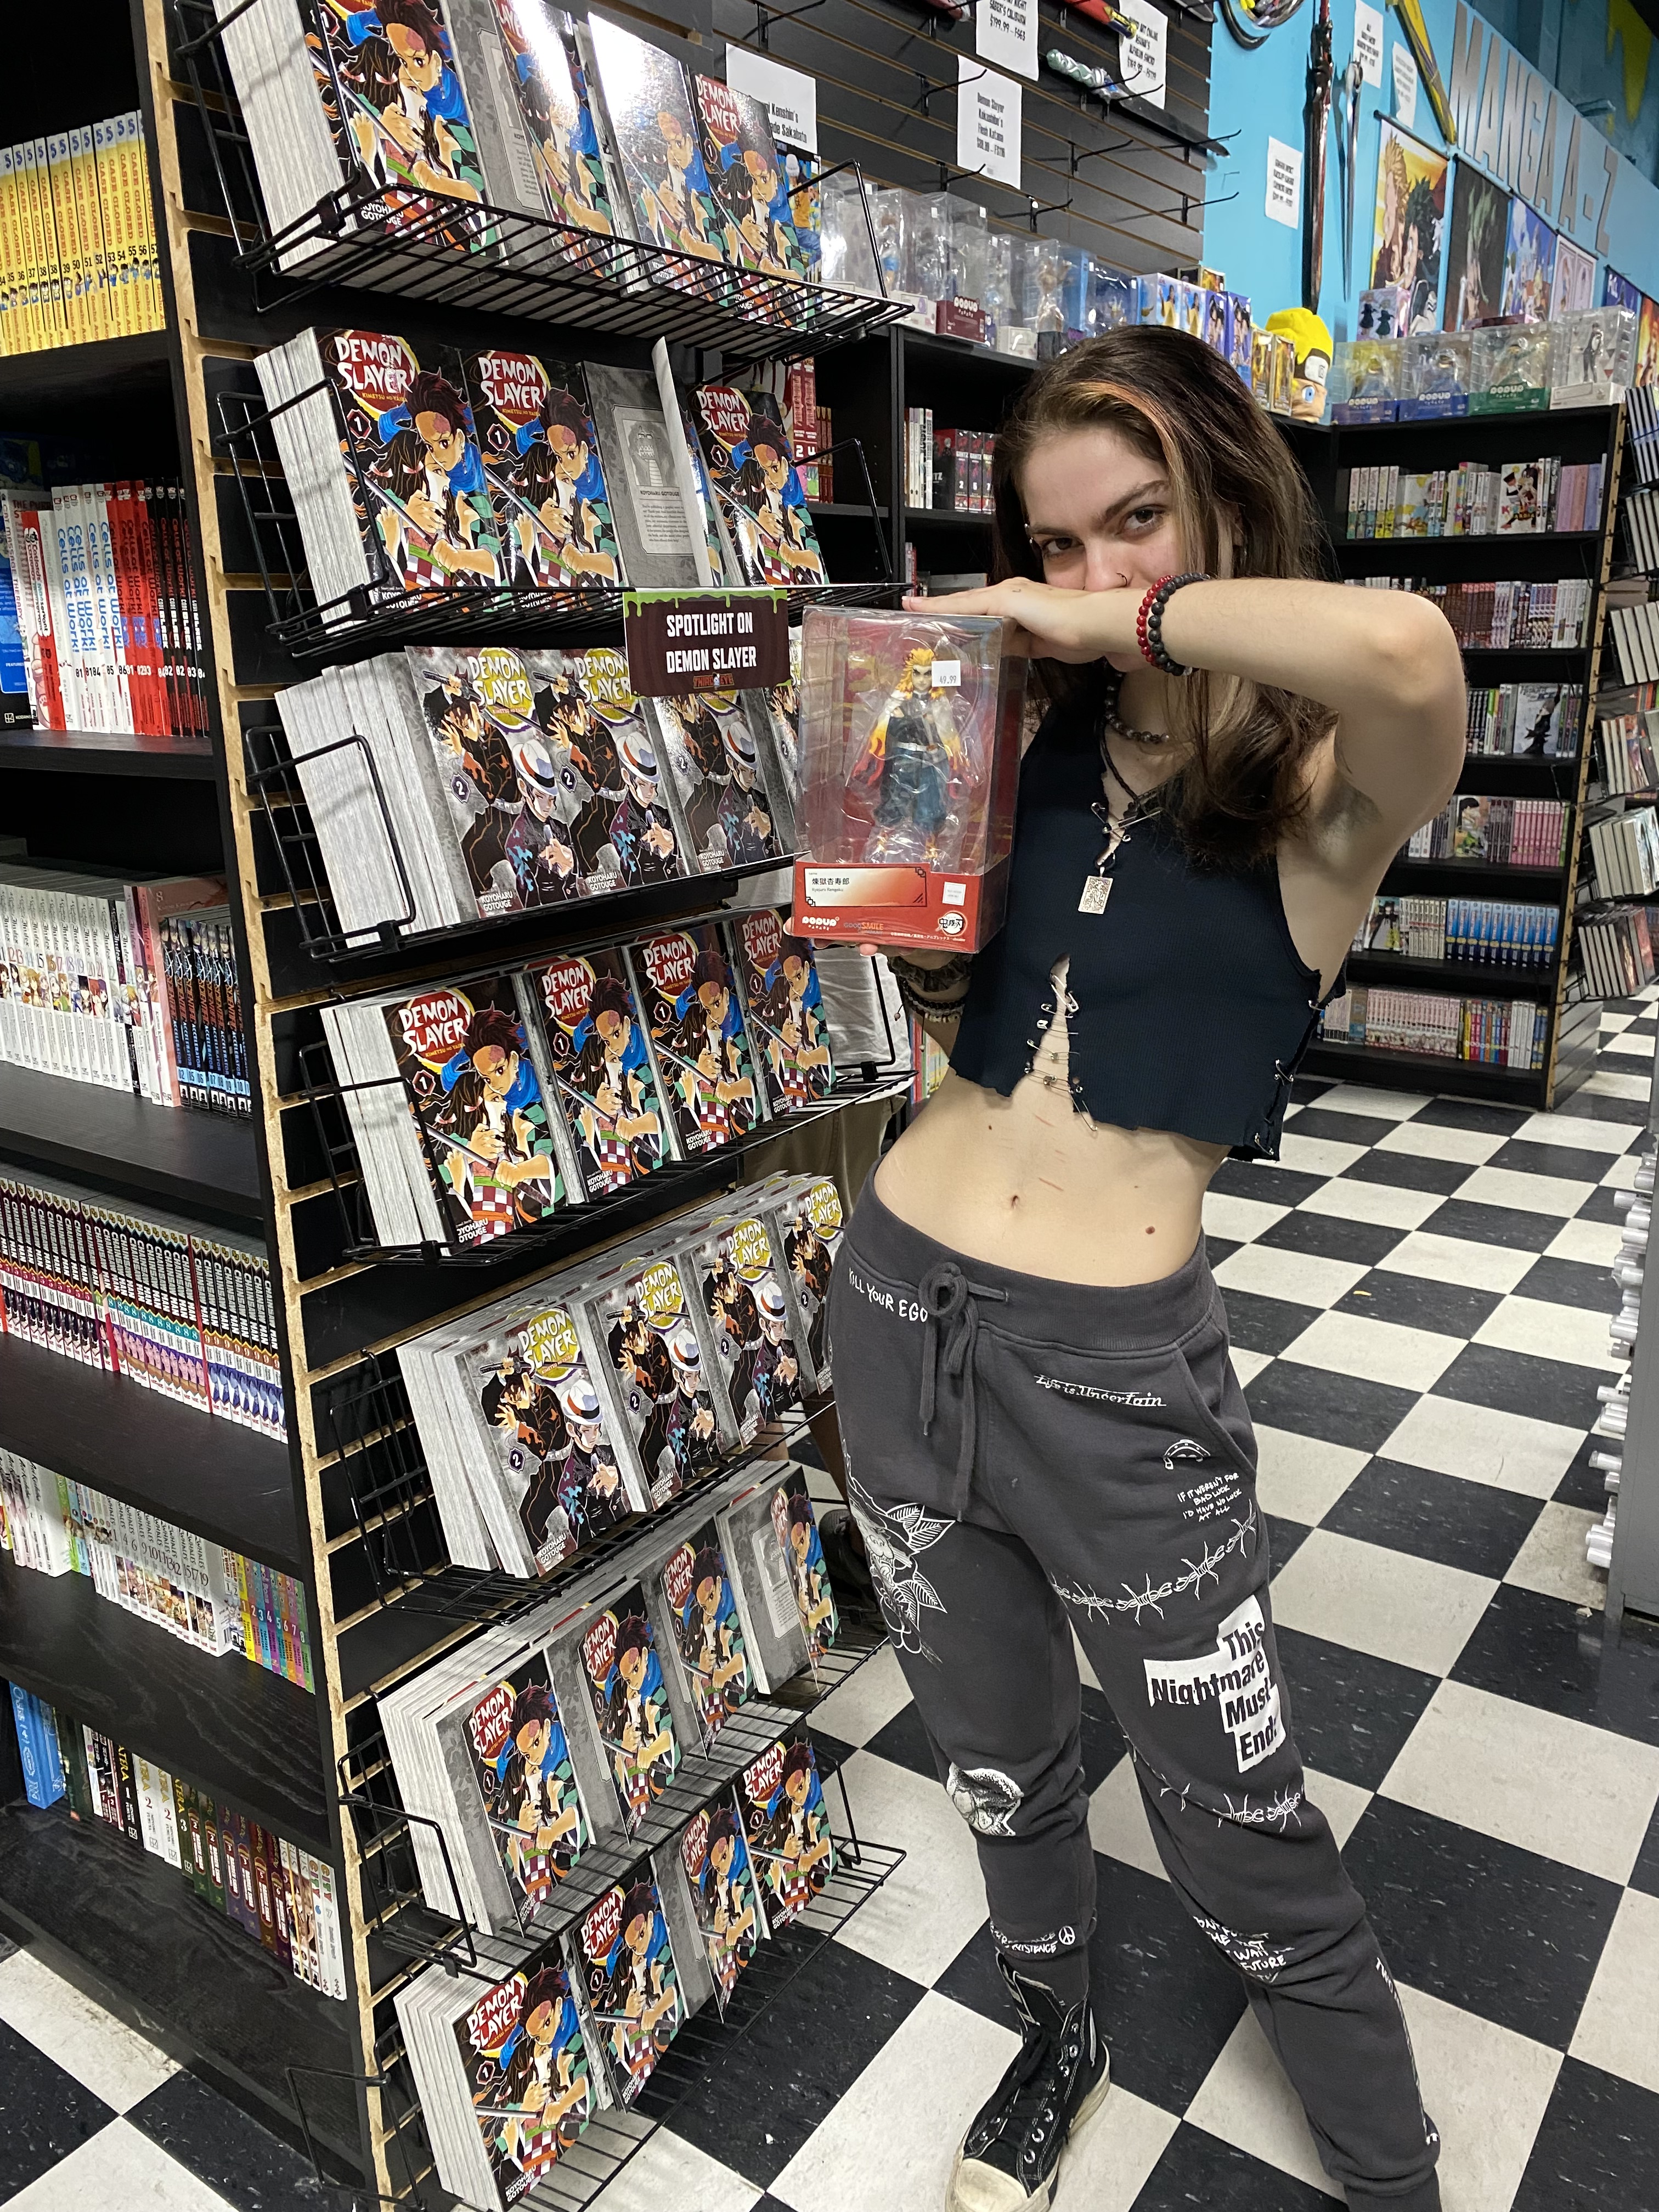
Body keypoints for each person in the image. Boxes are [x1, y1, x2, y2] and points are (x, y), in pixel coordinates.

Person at [827, 324, 1463, 2212]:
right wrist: (897, 875)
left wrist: (1115, 619)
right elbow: (959, 1011)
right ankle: (1056, 2036)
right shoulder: (1019, 751)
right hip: (896, 1313)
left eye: (1136, 519)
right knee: (1000, 1754)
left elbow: (1413, 654)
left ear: (1225, 503)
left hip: (1114, 1377)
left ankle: (1391, 2174)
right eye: (1053, 541)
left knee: (1235, 1811)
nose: (1087, 574)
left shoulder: (1332, 792)